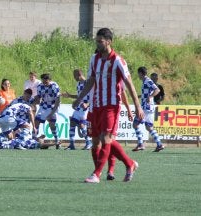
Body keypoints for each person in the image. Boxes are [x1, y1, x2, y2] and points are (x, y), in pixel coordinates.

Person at [72, 28, 144, 183]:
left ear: (109, 41)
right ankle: (129, 163)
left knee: (106, 138)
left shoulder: (118, 60)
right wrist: (79, 98)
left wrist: (137, 106)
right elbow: (90, 80)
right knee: (96, 141)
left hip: (111, 105)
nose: (97, 44)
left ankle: (96, 174)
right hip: (96, 105)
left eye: (100, 41)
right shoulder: (94, 59)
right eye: (96, 41)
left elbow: (129, 83)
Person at [132, 67, 165, 152]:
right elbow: (147, 92)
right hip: (148, 107)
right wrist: (140, 96)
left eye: (138, 73)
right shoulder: (145, 81)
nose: (138, 75)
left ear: (141, 73)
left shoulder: (147, 80)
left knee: (135, 124)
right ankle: (159, 144)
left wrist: (150, 97)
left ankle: (140, 144)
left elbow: (157, 90)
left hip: (146, 107)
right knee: (148, 127)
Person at [61, 69, 92, 150]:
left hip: (86, 108)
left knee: (82, 126)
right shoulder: (78, 84)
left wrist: (87, 104)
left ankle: (89, 142)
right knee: (72, 123)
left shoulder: (88, 83)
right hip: (79, 107)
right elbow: (79, 96)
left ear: (79, 74)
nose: (74, 78)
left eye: (75, 76)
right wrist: (70, 96)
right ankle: (72, 145)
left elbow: (94, 96)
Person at [34, 73, 61, 149]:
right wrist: (32, 103)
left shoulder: (54, 86)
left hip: (53, 106)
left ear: (50, 80)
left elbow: (58, 100)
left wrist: (52, 113)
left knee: (52, 124)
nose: (44, 84)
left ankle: (57, 140)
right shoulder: (39, 86)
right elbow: (38, 98)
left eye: (46, 82)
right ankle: (35, 140)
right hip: (44, 106)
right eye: (43, 82)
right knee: (36, 121)